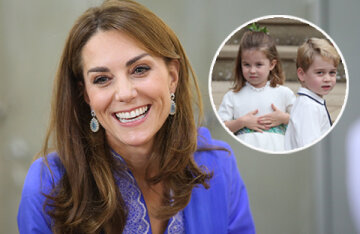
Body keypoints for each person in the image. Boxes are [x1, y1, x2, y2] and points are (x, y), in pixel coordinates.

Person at [17, 0, 255, 233]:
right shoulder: (46, 186)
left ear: (172, 76)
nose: (125, 94)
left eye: (139, 70)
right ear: (86, 96)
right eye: (102, 79)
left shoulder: (219, 166)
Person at [218, 29, 296, 152]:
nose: (252, 70)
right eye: (247, 65)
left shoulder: (284, 93)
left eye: (258, 65)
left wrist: (284, 118)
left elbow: (302, 121)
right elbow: (220, 129)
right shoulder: (232, 96)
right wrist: (242, 122)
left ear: (272, 64)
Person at [284, 38, 340, 150]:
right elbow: (310, 148)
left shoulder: (312, 103)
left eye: (332, 72)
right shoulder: (308, 107)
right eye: (320, 73)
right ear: (302, 74)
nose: (327, 79)